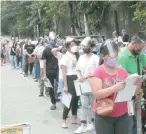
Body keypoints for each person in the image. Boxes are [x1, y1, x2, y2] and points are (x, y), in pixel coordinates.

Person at [90, 39, 133, 134]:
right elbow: (97, 94)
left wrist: (135, 84)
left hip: (122, 114)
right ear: (103, 56)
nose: (115, 58)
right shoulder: (98, 72)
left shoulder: (122, 71)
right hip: (104, 114)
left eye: (116, 55)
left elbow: (131, 90)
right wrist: (115, 87)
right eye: (111, 56)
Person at [118, 31, 146, 134]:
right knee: (130, 123)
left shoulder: (138, 53)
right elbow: (120, 79)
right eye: (141, 48)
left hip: (138, 92)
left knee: (137, 119)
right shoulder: (123, 56)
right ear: (133, 43)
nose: (142, 51)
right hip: (127, 95)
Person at [74, 37, 99, 133]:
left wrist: (90, 75)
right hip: (82, 84)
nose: (84, 48)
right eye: (83, 46)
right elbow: (77, 69)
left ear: (91, 47)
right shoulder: (81, 57)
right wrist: (79, 76)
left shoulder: (96, 58)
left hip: (93, 85)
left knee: (93, 105)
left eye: (86, 46)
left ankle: (92, 123)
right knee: (84, 105)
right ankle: (83, 124)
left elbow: (99, 72)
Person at [60, 37, 80, 128]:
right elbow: (64, 72)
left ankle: (74, 117)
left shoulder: (76, 55)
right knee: (69, 99)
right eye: (72, 45)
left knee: (76, 98)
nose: (74, 46)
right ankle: (64, 120)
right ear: (68, 47)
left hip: (76, 77)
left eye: (75, 45)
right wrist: (65, 85)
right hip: (69, 78)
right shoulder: (65, 57)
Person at [41, 34, 59, 110]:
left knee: (60, 87)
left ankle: (63, 103)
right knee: (50, 88)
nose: (53, 41)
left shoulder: (58, 49)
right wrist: (44, 75)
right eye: (52, 40)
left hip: (58, 71)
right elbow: (44, 63)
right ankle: (53, 102)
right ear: (49, 41)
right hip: (49, 72)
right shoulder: (45, 50)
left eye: (54, 40)